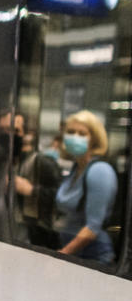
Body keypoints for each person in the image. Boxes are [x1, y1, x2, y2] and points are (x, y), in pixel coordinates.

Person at [55, 110, 117, 263]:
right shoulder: (76, 168)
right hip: (75, 254)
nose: (75, 137)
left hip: (94, 257)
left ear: (94, 140)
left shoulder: (99, 170)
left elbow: (92, 228)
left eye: (82, 134)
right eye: (70, 132)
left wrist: (63, 254)